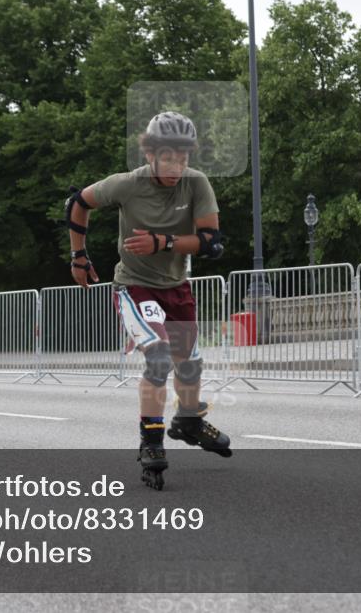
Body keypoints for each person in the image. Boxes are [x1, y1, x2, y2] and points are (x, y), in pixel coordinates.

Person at [64, 111, 231, 490]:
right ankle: (151, 442)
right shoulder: (127, 185)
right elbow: (78, 202)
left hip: (176, 285)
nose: (176, 167)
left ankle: (188, 421)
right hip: (136, 285)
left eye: (183, 159)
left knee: (189, 365)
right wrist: (78, 256)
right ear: (150, 154)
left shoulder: (196, 184)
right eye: (168, 158)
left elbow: (212, 242)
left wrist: (163, 242)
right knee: (158, 356)